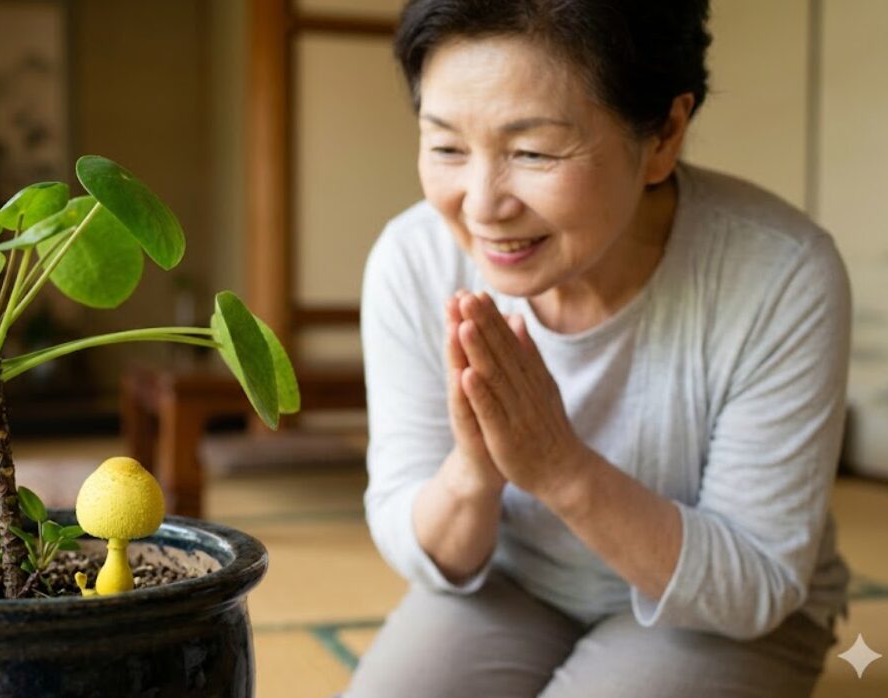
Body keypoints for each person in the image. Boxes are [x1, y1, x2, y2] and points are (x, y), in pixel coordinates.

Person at [347, 1, 850, 696]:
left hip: (723, 614)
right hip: (516, 582)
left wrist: (558, 467)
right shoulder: (413, 260)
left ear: (664, 133)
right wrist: (474, 470)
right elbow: (412, 532)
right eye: (446, 147)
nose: (482, 204)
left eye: (532, 151)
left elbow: (755, 583)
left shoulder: (779, 273)